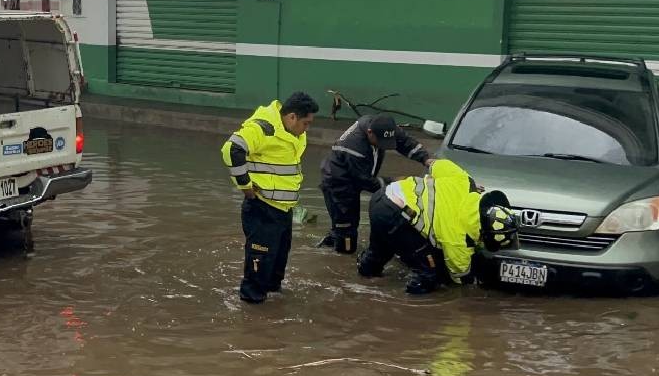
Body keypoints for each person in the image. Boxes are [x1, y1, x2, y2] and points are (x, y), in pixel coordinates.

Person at [356, 159, 519, 294]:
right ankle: (408, 314)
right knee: (428, 274)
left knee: (380, 252)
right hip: (397, 216)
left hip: (383, 196)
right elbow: (461, 278)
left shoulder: (465, 181)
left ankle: (361, 280)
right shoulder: (459, 242)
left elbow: (437, 165)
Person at [221, 92, 319, 304]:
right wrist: (245, 186)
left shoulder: (293, 132)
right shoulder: (262, 128)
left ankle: (273, 299)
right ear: (292, 117)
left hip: (283, 209)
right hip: (262, 207)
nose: (307, 128)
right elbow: (232, 149)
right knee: (260, 263)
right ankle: (252, 310)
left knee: (278, 261)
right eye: (306, 123)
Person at [318, 115, 431, 254]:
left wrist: (426, 158)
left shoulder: (384, 126)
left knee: (345, 226)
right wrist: (395, 182)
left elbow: (404, 141)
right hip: (339, 184)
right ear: (370, 132)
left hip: (353, 175)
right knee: (347, 230)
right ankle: (340, 257)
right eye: (381, 142)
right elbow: (365, 182)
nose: (383, 146)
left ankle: (333, 240)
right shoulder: (354, 147)